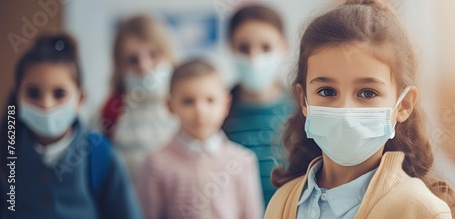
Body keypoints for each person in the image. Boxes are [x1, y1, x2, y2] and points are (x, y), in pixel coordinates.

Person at [265, 1, 455, 218]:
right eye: (327, 92)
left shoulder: (422, 212)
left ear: (403, 105)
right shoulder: (281, 204)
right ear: (303, 99)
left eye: (367, 93)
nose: (346, 112)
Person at [0, 33, 142, 219]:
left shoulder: (99, 152)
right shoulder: (8, 150)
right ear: (18, 98)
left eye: (59, 94)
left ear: (80, 99)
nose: (46, 104)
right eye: (33, 93)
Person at [137, 59, 263, 219]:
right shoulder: (155, 164)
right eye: (188, 101)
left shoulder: (243, 161)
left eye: (210, 100)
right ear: (169, 105)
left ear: (226, 104)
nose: (200, 111)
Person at [222, 4, 293, 207]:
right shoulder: (217, 111)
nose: (254, 56)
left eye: (266, 47)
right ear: (230, 47)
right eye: (243, 48)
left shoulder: (302, 108)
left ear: (284, 47)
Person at [97, 15, 178, 181]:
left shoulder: (186, 102)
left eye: (154, 55)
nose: (144, 66)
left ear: (168, 54)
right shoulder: (110, 111)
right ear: (119, 66)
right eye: (132, 60)